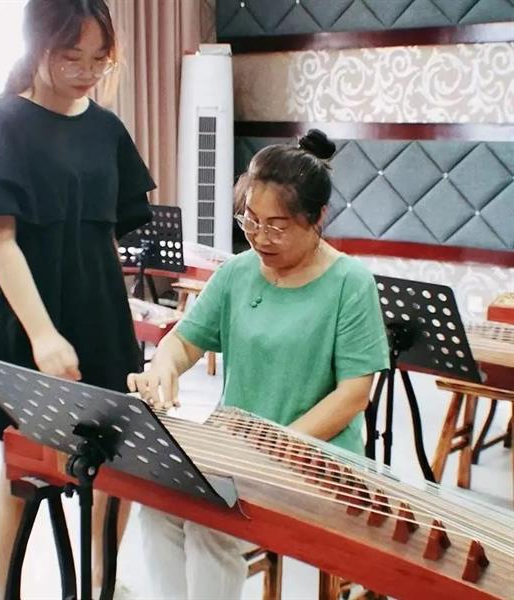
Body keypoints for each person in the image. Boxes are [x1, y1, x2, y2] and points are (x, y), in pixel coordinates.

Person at [128, 129, 390, 600]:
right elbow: (183, 341)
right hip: (236, 448)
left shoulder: (350, 283)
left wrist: (277, 445)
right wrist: (163, 367)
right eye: (250, 220)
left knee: (211, 523)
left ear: (317, 218)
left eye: (277, 226)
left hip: (313, 455)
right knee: (159, 504)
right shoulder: (238, 271)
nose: (259, 237)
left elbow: (353, 395)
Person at [0, 0, 154, 597]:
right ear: (37, 47)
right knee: (24, 464)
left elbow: (106, 236)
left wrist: (120, 312)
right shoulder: (1, 121)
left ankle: (103, 583)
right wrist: (43, 334)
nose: (87, 72)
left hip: (98, 308)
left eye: (99, 59)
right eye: (71, 57)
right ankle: (7, 590)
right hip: (25, 313)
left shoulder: (107, 129)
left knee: (117, 456)